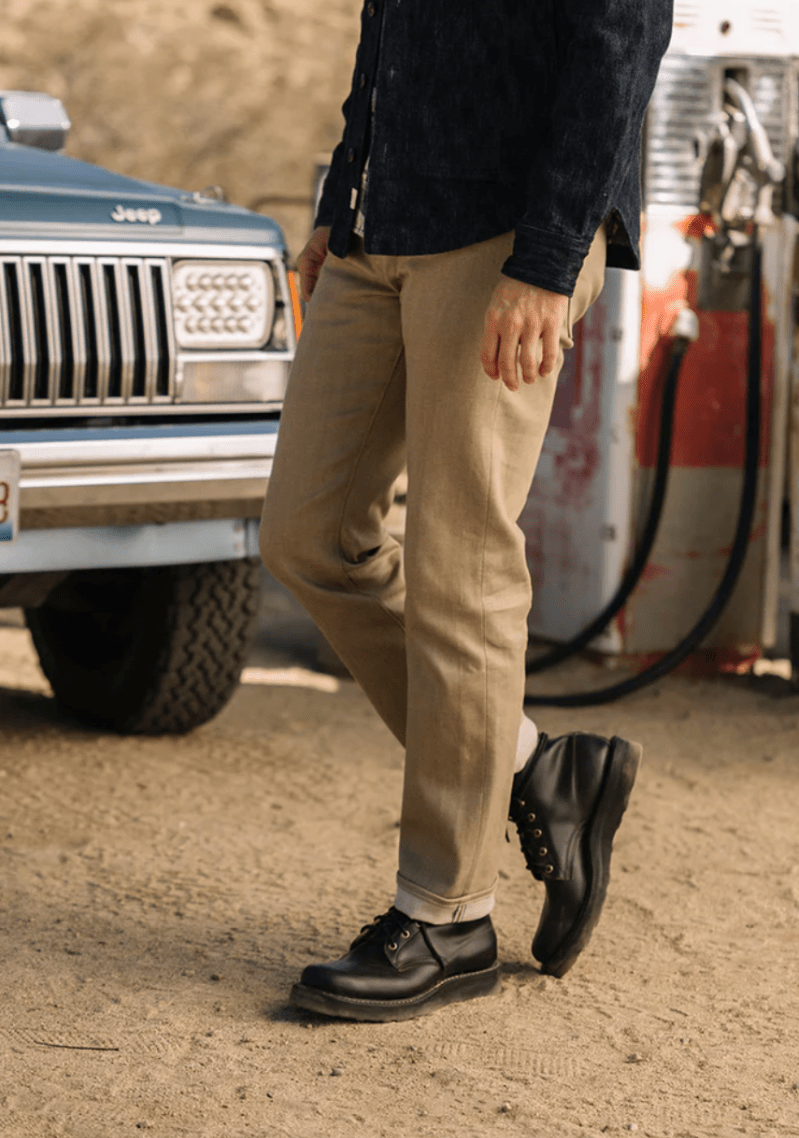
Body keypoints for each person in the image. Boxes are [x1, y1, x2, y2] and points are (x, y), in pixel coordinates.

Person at [260, 0, 674, 1021]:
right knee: (310, 536)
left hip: (504, 231)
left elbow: (618, 38)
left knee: (461, 563)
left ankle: (448, 915)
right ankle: (535, 763)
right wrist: (337, 191)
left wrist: (547, 255)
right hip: (379, 215)